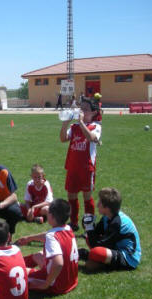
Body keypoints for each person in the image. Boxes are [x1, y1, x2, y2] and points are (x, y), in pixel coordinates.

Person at [16, 199, 79, 295]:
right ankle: (17, 264)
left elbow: (58, 264)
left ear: (52, 217)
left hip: (57, 285)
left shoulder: (52, 236)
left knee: (17, 274)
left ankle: (13, 267)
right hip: (70, 280)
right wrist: (29, 238)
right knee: (38, 255)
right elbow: (49, 235)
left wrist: (46, 284)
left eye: (48, 212)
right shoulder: (68, 228)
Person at [60, 96, 102, 231]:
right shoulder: (74, 127)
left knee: (87, 196)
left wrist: (82, 123)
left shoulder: (96, 126)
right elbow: (63, 138)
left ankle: (89, 226)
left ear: (94, 112)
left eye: (85, 109)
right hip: (72, 167)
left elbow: (91, 138)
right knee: (71, 195)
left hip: (86, 168)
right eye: (81, 108)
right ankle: (74, 222)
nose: (82, 111)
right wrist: (65, 123)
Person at [80, 187, 141, 272]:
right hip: (116, 248)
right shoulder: (107, 216)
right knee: (89, 238)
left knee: (95, 253)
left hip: (128, 258)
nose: (97, 205)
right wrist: (87, 224)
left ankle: (98, 262)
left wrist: (89, 227)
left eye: (100, 203)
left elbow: (96, 245)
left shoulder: (116, 222)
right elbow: (96, 234)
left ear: (107, 208)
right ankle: (95, 259)